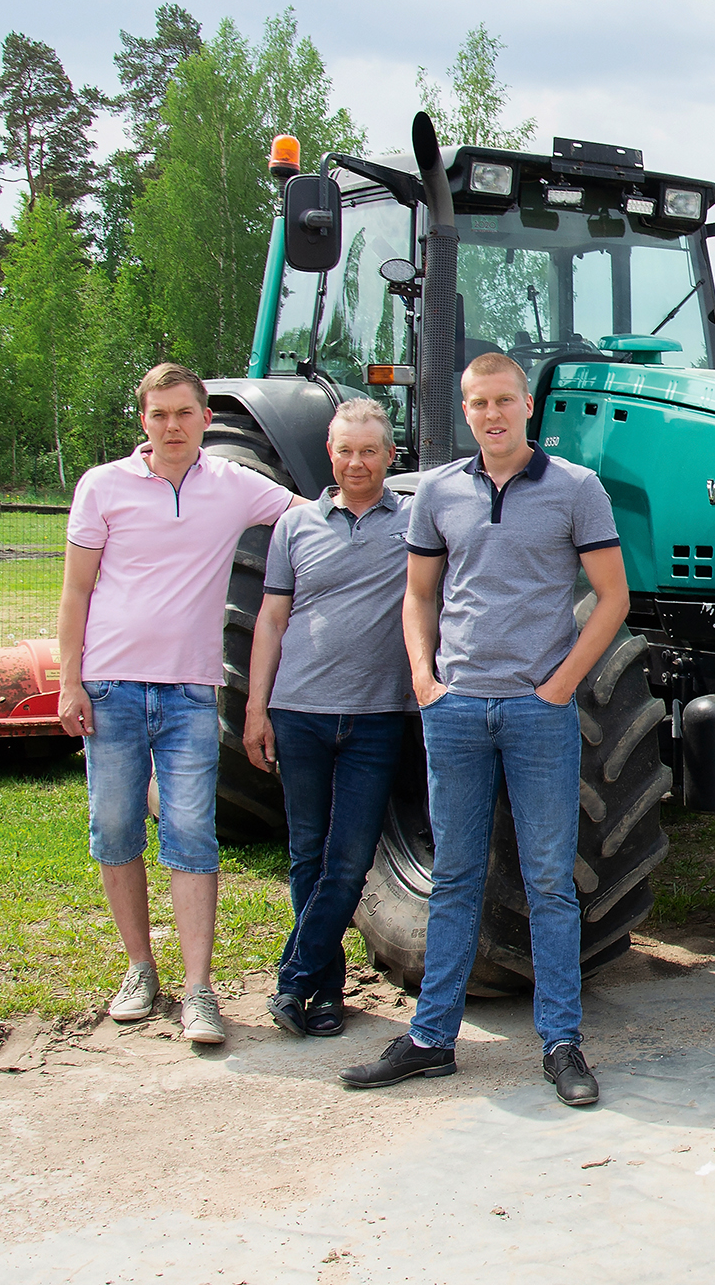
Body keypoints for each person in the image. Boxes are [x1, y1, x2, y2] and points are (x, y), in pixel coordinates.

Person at [339, 351, 628, 1104]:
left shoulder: (576, 489)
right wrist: (425, 681)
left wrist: (559, 687)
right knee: (458, 878)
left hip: (538, 714)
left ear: (527, 405)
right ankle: (432, 1038)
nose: (491, 414)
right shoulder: (438, 491)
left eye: (503, 400)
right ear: (465, 411)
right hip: (458, 711)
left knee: (548, 882)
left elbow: (613, 597)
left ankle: (561, 1042)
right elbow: (418, 597)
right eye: (477, 403)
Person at [58, 362, 307, 1044]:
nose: (172, 426)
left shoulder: (232, 486)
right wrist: (69, 680)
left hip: (191, 693)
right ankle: (140, 968)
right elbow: (76, 591)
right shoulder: (103, 487)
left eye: (184, 413)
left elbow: (307, 516)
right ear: (143, 419)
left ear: (204, 418)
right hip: (110, 687)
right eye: (159, 414)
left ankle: (199, 988)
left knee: (193, 834)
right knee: (114, 830)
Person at [243, 398, 416, 1039]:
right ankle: (324, 991)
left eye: (369, 450)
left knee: (348, 862)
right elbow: (272, 619)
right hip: (300, 712)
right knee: (306, 857)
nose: (356, 462)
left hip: (376, 716)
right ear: (330, 453)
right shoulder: (296, 528)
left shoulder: (416, 522)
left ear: (389, 456)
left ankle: (292, 981)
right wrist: (257, 708)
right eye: (345, 450)